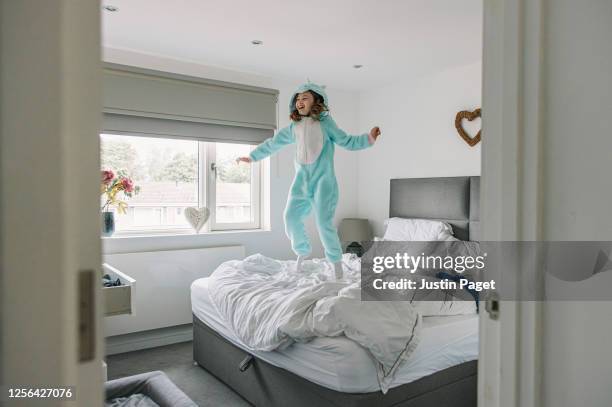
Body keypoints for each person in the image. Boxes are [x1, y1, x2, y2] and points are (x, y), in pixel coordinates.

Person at [237, 82, 381, 279]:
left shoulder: (326, 123)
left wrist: (368, 139)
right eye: (297, 98)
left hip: (324, 182)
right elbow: (273, 143)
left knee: (323, 223)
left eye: (304, 98)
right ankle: (302, 251)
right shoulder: (294, 127)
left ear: (317, 101)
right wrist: (253, 157)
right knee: (290, 217)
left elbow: (346, 140)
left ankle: (336, 264)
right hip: (301, 181)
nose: (299, 102)